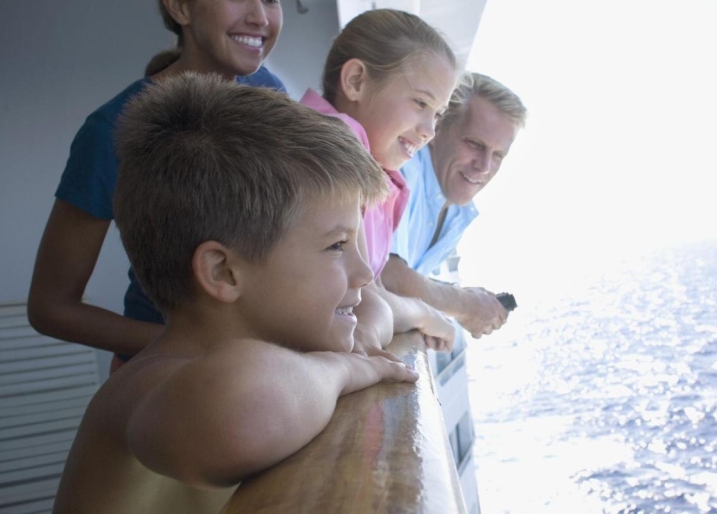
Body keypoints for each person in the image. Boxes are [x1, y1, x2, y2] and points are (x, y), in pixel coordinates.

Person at [52, 74, 418, 514]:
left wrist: (418, 316)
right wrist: (344, 369)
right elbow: (241, 412)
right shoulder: (149, 386)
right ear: (224, 272)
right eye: (337, 245)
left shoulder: (273, 348)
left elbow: (375, 305)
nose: (364, 271)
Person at [28, 0, 286, 369]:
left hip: (261, 361)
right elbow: (50, 308)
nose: (260, 17)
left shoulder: (269, 94)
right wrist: (196, 344)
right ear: (180, 8)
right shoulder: (110, 130)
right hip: (164, 375)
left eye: (273, 0)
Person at [298, 9, 460, 355]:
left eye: (438, 114)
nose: (430, 130)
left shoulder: (373, 168)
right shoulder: (324, 159)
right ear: (356, 80)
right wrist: (422, 314)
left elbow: (372, 289)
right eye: (420, 102)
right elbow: (357, 308)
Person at [383, 72, 527, 339]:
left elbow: (409, 278)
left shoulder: (457, 209)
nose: (484, 167)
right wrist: (463, 305)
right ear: (436, 130)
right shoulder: (404, 172)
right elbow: (387, 275)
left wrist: (460, 302)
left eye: (497, 155)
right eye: (474, 144)